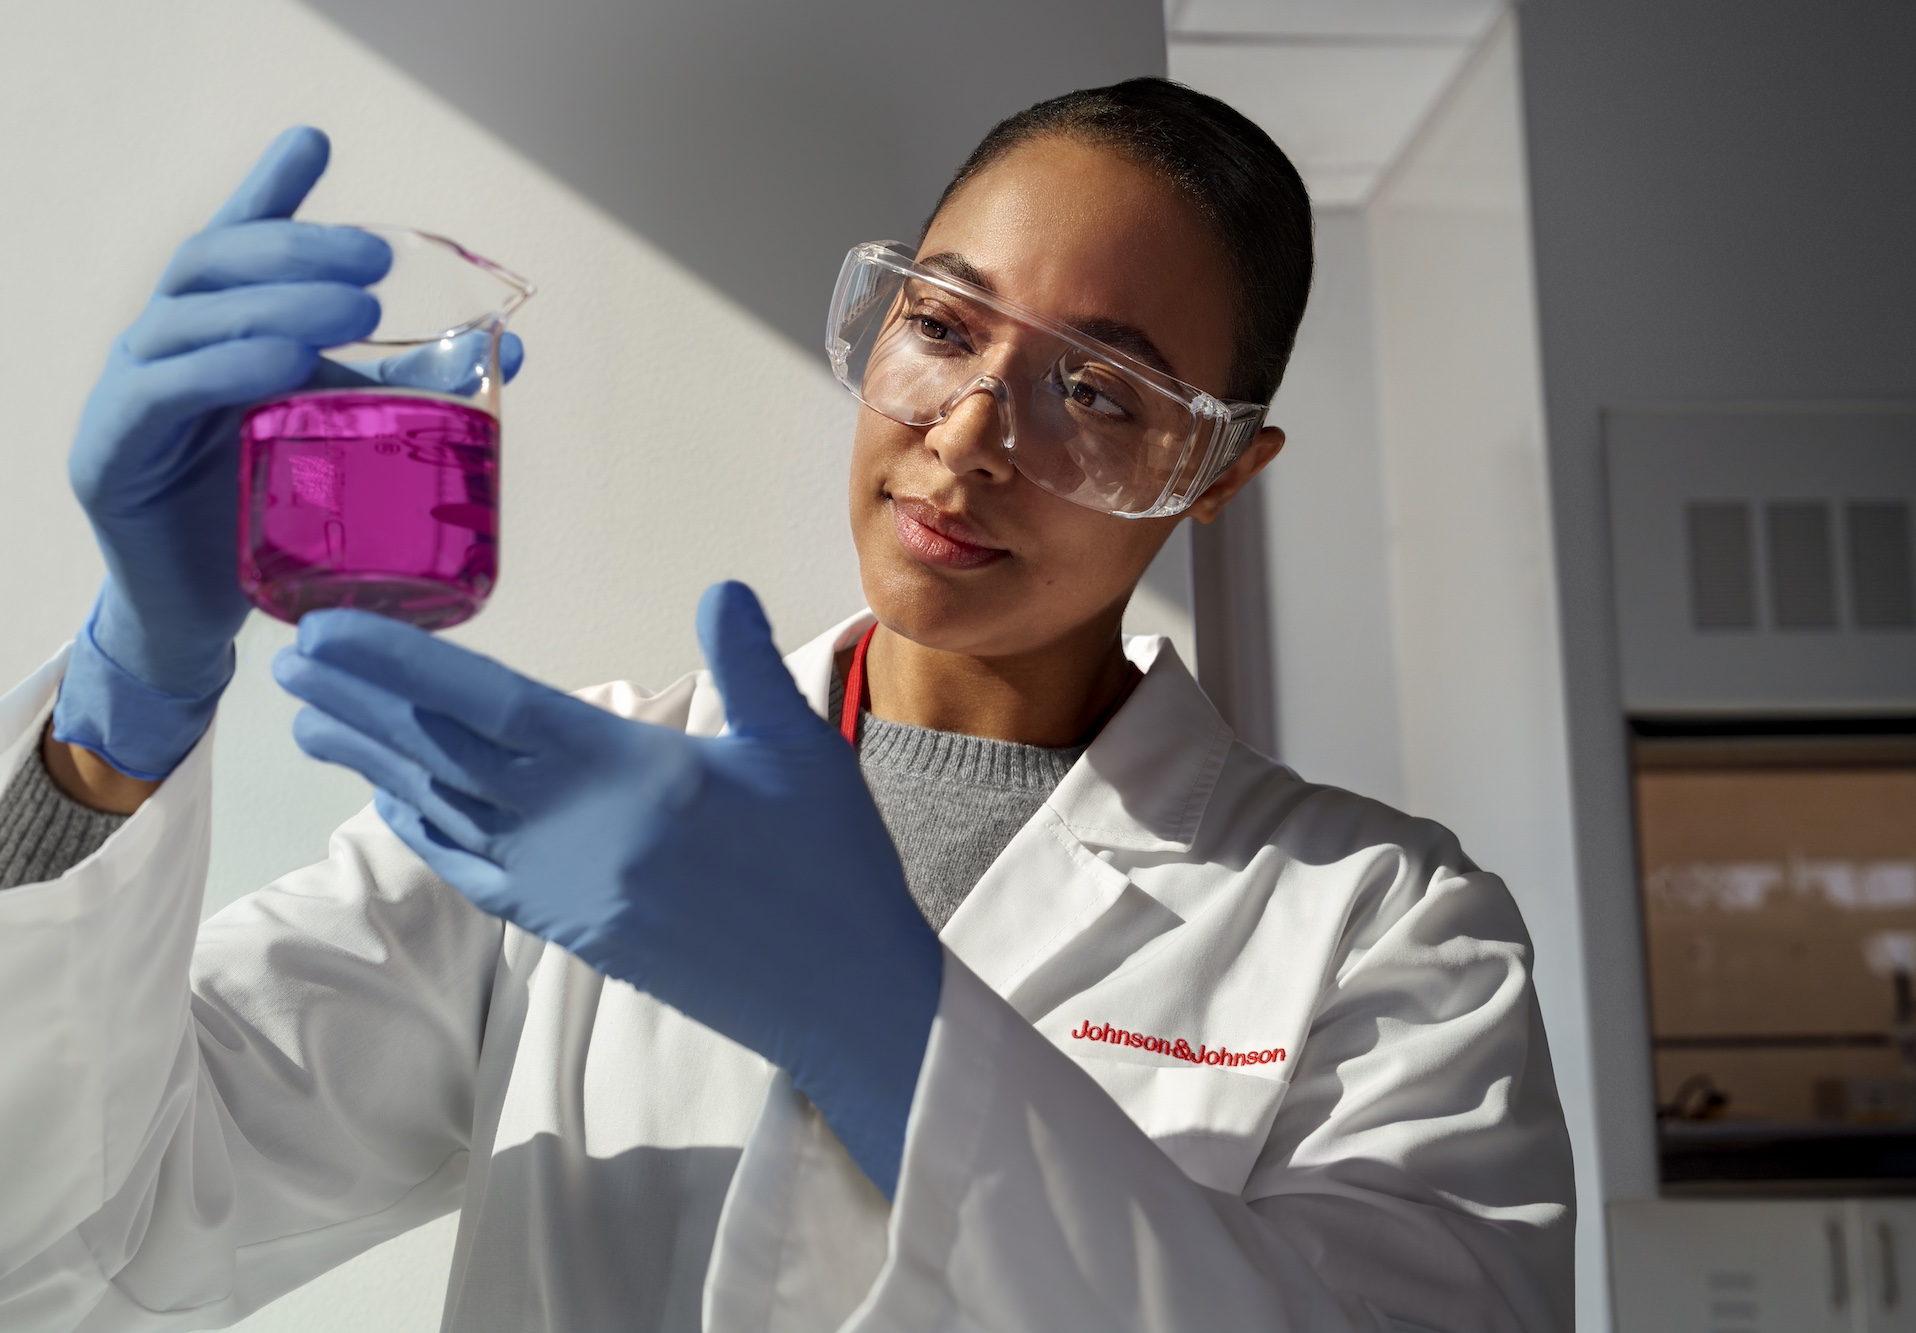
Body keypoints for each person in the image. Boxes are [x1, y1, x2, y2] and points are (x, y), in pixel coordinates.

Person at [0, 80, 1574, 1332]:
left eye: (1097, 392)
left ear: (1219, 469)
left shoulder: (1385, 934)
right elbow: (75, 1249)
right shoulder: (573, 811)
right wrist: (110, 725)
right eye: (944, 327)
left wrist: (886, 1023)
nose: (966, 440)